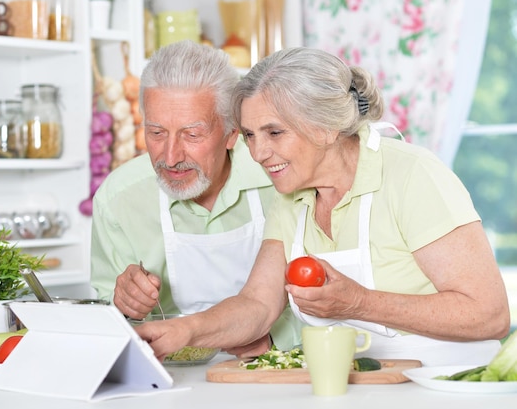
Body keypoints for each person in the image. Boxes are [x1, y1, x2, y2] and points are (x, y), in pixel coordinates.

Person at [134, 47, 511, 366]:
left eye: (274, 132)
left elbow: (489, 315)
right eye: (250, 135)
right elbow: (257, 305)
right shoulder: (292, 196)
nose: (259, 153)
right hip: (355, 390)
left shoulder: (412, 175)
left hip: (447, 386)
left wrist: (359, 303)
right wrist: (184, 330)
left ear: (327, 127)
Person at [90, 40, 303, 353]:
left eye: (192, 135)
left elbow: (326, 302)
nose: (172, 157)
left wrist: (272, 340)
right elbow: (104, 322)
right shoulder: (118, 198)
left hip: (275, 366)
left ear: (232, 133)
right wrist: (124, 304)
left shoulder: (279, 180)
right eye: (156, 133)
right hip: (169, 377)